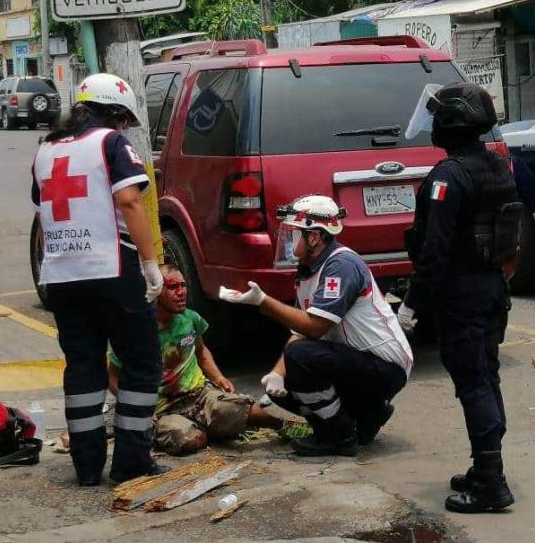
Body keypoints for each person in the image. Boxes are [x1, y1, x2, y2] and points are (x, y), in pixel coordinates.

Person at [32, 73, 168, 486]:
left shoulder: (46, 149)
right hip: (111, 269)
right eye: (124, 118)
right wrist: (150, 264)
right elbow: (129, 200)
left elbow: (42, 216)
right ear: (113, 113)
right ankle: (131, 461)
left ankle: (87, 466)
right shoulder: (110, 142)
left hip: (61, 276)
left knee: (83, 367)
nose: (124, 126)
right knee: (143, 363)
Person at [398, 82, 522, 513]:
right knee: (487, 377)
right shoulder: (495, 167)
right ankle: (484, 465)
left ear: (450, 123)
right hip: (492, 290)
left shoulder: (448, 177)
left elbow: (435, 250)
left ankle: (491, 482)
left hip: (462, 296)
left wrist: (411, 304)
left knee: (473, 384)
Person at [219, 195, 413, 457]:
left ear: (314, 238)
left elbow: (315, 327)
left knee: (302, 356)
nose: (288, 241)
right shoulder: (308, 269)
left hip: (385, 366)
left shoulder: (340, 266)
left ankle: (338, 436)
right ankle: (368, 414)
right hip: (359, 363)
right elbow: (299, 331)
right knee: (284, 383)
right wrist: (276, 374)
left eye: (295, 234)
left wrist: (264, 302)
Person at [107, 265, 288, 455]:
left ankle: (288, 427)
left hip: (199, 396)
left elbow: (201, 351)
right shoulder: (136, 332)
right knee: (193, 440)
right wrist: (138, 408)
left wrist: (218, 378)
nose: (181, 292)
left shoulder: (190, 319)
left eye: (183, 285)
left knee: (258, 413)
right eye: (172, 287)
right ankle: (211, 428)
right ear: (155, 291)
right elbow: (113, 378)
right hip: (163, 410)